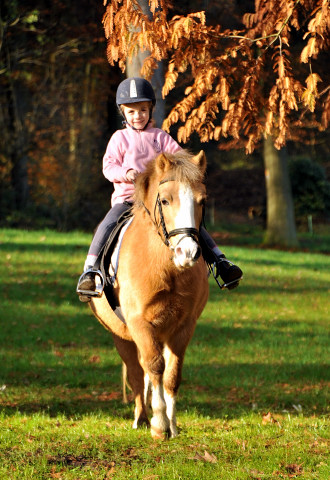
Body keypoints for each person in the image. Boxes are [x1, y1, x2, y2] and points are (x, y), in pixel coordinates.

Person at [76, 77, 242, 301]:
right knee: (107, 224)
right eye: (132, 111)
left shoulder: (161, 138)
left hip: (159, 202)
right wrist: (126, 174)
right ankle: (91, 269)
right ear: (123, 113)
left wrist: (190, 168)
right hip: (127, 200)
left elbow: (180, 160)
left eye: (143, 110)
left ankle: (220, 262)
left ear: (150, 109)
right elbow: (108, 167)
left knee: (191, 226)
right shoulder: (119, 138)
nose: (138, 116)